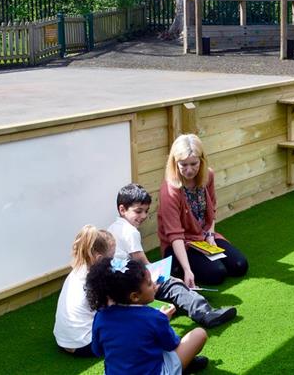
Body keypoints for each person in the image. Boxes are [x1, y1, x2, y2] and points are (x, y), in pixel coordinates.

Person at [109, 183, 236, 328]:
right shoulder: (130, 232)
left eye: (146, 211)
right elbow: (144, 265)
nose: (143, 216)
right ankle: (205, 313)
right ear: (122, 209)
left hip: (119, 288)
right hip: (129, 286)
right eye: (139, 211)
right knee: (172, 285)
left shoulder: (113, 228)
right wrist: (169, 279)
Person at [86, 257, 208, 375]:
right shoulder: (154, 317)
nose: (155, 286)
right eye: (150, 284)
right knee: (199, 334)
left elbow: (97, 351)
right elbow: (172, 344)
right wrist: (164, 321)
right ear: (134, 296)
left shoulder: (101, 316)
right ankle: (183, 366)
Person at [158, 134, 248, 287]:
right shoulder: (170, 190)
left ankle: (202, 260)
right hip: (180, 243)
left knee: (240, 265)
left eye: (194, 164)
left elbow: (211, 210)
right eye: (183, 165)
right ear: (175, 163)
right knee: (216, 274)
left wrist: (210, 236)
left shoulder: (208, 176)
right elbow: (175, 235)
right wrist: (187, 270)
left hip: (203, 237)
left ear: (202, 160)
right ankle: (178, 266)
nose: (189, 170)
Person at [54, 225, 116, 357]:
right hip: (85, 345)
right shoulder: (95, 279)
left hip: (63, 341)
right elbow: (112, 310)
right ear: (99, 259)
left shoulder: (77, 271)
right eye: (111, 258)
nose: (113, 262)